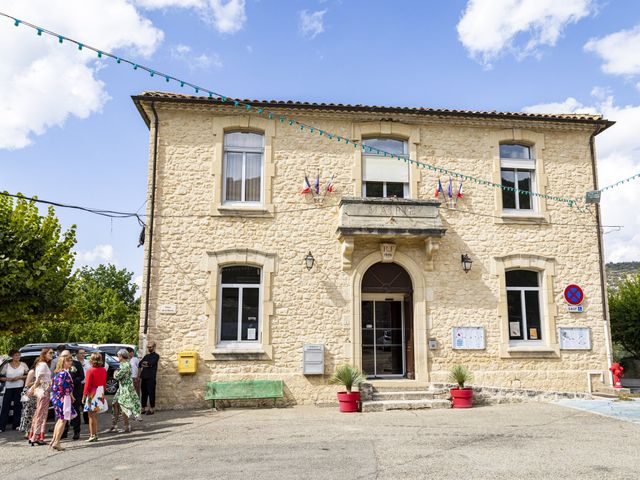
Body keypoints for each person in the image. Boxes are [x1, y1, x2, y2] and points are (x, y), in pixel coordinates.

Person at [49, 354, 77, 451]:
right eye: (68, 361)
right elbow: (63, 387)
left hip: (57, 397)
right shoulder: (64, 373)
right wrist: (70, 395)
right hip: (63, 398)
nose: (70, 362)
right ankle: (56, 442)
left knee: (60, 420)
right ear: (63, 362)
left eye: (70, 361)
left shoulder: (58, 372)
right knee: (63, 420)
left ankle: (53, 440)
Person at [110, 349, 141, 432]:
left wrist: (115, 372)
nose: (117, 357)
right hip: (122, 388)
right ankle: (114, 424)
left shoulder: (125, 365)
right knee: (115, 404)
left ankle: (126, 426)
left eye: (118, 356)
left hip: (126, 388)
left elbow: (117, 376)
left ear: (121, 356)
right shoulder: (123, 364)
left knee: (124, 406)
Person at [28, 348, 53, 446]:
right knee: (41, 414)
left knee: (39, 414)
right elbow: (38, 379)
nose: (52, 354)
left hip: (43, 390)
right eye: (50, 353)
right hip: (43, 391)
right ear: (44, 354)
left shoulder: (40, 364)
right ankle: (35, 437)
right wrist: (32, 388)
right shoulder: (43, 364)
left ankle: (34, 436)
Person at [0, 349, 28, 432]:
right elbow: (1, 377)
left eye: (19, 355)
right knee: (5, 407)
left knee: (18, 406)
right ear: (12, 356)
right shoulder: (7, 365)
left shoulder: (23, 365)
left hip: (19, 387)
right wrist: (8, 379)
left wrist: (19, 377)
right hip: (8, 388)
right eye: (16, 355)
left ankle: (16, 425)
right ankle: (2, 426)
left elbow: (28, 375)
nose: (18, 357)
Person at [82, 352, 107, 443]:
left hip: (92, 392)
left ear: (91, 360)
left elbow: (87, 385)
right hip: (100, 392)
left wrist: (84, 395)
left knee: (91, 416)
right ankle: (95, 434)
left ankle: (93, 435)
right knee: (95, 415)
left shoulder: (90, 370)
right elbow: (104, 383)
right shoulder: (103, 370)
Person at [62, 350, 85, 440]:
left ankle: (76, 431)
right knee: (64, 411)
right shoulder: (60, 365)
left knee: (75, 411)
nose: (65, 358)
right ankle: (64, 431)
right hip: (64, 392)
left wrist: (72, 381)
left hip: (75, 391)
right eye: (63, 356)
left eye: (67, 356)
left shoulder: (76, 364)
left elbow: (82, 376)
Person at [139, 341, 159, 415]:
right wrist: (146, 364)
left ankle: (152, 409)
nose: (149, 348)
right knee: (144, 393)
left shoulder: (156, 356)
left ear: (154, 347)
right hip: (144, 377)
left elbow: (151, 363)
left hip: (151, 378)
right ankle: (143, 408)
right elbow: (140, 364)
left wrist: (147, 364)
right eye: (148, 347)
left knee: (151, 393)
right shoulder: (146, 356)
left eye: (150, 347)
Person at [18, 367, 37, 437]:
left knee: (33, 414)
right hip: (29, 394)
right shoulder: (32, 372)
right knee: (28, 413)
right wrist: (37, 381)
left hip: (36, 394)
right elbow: (27, 384)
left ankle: (30, 432)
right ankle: (27, 432)